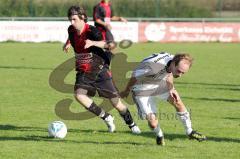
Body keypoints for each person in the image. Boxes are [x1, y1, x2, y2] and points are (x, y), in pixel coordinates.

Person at [62, 5, 141, 134]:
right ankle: (107, 117)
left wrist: (93, 43)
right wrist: (68, 43)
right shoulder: (71, 29)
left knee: (116, 103)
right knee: (79, 95)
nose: (72, 22)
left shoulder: (92, 31)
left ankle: (132, 124)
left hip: (99, 69)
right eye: (70, 19)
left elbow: (109, 45)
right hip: (83, 69)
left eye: (74, 19)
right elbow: (71, 36)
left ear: (82, 18)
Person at [121, 52, 206, 145]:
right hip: (141, 88)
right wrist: (126, 91)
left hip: (158, 83)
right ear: (174, 64)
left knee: (177, 101)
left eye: (183, 72)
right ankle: (159, 135)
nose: (180, 75)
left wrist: (171, 89)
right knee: (153, 123)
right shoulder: (153, 67)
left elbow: (169, 72)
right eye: (179, 71)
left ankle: (190, 131)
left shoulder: (174, 61)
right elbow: (134, 77)